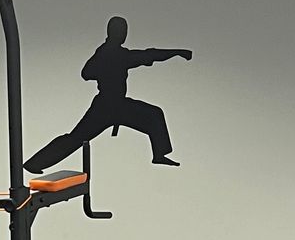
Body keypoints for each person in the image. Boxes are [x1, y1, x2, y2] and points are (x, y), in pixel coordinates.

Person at [25, 16, 192, 172]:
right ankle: (34, 163)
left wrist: (176, 52)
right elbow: (88, 72)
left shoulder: (109, 52)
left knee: (153, 114)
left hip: (115, 105)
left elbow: (147, 55)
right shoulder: (114, 54)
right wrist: (177, 52)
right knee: (76, 138)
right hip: (107, 106)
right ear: (115, 33)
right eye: (122, 31)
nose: (124, 35)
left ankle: (159, 154)